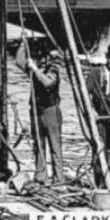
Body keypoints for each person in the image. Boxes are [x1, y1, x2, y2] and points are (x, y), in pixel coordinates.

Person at [16, 38, 64, 182]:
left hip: (51, 112)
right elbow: (19, 61)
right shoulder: (33, 69)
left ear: (48, 58)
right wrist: (23, 44)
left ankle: (59, 178)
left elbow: (47, 82)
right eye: (39, 58)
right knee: (39, 145)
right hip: (37, 111)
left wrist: (35, 69)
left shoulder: (53, 69)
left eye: (43, 57)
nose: (41, 60)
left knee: (55, 145)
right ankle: (41, 176)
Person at [84, 42, 110, 189]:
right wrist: (92, 111)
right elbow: (85, 94)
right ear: (107, 57)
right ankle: (99, 183)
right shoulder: (96, 73)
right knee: (99, 149)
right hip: (99, 118)